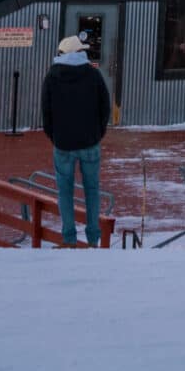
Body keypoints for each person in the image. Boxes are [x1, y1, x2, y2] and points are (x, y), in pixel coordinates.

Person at [41, 33, 111, 248]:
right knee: (92, 190)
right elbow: (105, 107)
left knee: (65, 192)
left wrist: (56, 137)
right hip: (90, 143)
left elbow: (46, 113)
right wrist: (97, 133)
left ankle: (69, 239)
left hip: (63, 144)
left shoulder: (52, 76)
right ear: (80, 52)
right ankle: (93, 238)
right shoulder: (93, 75)